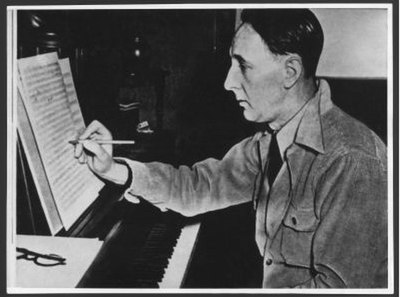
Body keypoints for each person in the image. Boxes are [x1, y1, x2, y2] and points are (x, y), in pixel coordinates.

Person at [74, 9, 387, 288]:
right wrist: (113, 168)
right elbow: (198, 186)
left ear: (290, 72)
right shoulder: (270, 140)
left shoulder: (352, 160)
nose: (228, 82)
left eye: (243, 66)